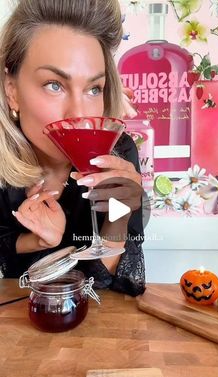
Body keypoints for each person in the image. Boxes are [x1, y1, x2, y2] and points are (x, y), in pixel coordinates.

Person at [0, 0, 145, 296]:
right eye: (54, 84)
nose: (78, 114)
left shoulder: (118, 152)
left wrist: (118, 221)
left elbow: (123, 290)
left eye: (94, 89)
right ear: (11, 90)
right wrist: (37, 241)